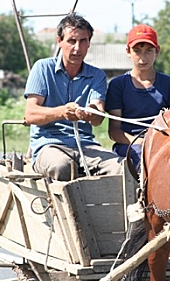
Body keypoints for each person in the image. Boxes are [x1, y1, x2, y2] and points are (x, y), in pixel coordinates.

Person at [24, 13, 122, 181]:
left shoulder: (97, 75)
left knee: (121, 167)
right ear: (59, 41)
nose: (77, 48)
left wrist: (91, 113)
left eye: (83, 41)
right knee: (62, 166)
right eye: (71, 41)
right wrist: (62, 112)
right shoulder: (42, 68)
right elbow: (30, 114)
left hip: (85, 145)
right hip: (49, 145)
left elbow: (98, 116)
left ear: (89, 43)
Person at [105, 24, 170, 169]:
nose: (143, 58)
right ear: (128, 51)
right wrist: (140, 142)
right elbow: (114, 130)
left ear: (157, 51)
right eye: (137, 51)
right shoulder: (118, 85)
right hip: (130, 146)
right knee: (142, 157)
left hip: (163, 143)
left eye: (149, 51)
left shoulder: (169, 84)